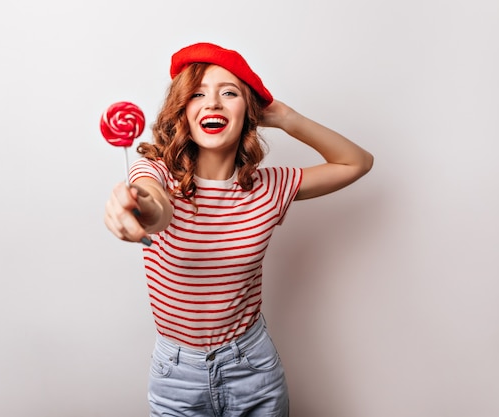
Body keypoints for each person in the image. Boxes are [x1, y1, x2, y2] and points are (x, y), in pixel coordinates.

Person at [104, 42, 373, 417]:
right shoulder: (157, 174)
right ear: (182, 110)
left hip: (252, 366)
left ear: (249, 110)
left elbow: (356, 163)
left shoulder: (269, 187)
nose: (212, 103)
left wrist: (286, 117)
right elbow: (155, 206)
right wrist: (138, 206)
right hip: (176, 373)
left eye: (228, 93)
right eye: (198, 94)